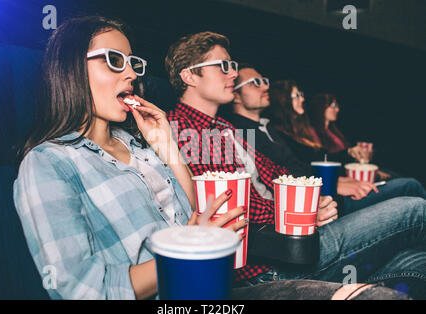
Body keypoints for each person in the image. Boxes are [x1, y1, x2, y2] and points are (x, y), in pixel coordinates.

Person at [12, 16, 393, 301]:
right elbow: (80, 287)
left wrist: (169, 151)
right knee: (402, 224)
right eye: (114, 61)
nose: (130, 73)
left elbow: (202, 216)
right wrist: (190, 247)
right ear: (70, 68)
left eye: (131, 62)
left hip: (221, 283)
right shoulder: (49, 163)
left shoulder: (145, 147)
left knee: (408, 266)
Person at [165, 31, 426, 299]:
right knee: (414, 209)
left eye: (232, 66)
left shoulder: (224, 126)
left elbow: (280, 174)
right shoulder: (181, 128)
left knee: (416, 262)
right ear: (189, 76)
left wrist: (310, 200)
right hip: (270, 262)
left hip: (295, 239)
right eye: (224, 66)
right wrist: (300, 212)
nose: (233, 74)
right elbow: (227, 206)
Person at [267, 80, 425, 213]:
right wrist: (336, 181)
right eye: (296, 95)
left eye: (301, 95)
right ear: (282, 99)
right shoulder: (280, 134)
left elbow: (314, 164)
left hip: (336, 187)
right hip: (328, 196)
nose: (302, 99)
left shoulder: (304, 132)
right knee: (409, 185)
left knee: (399, 179)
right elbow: (305, 168)